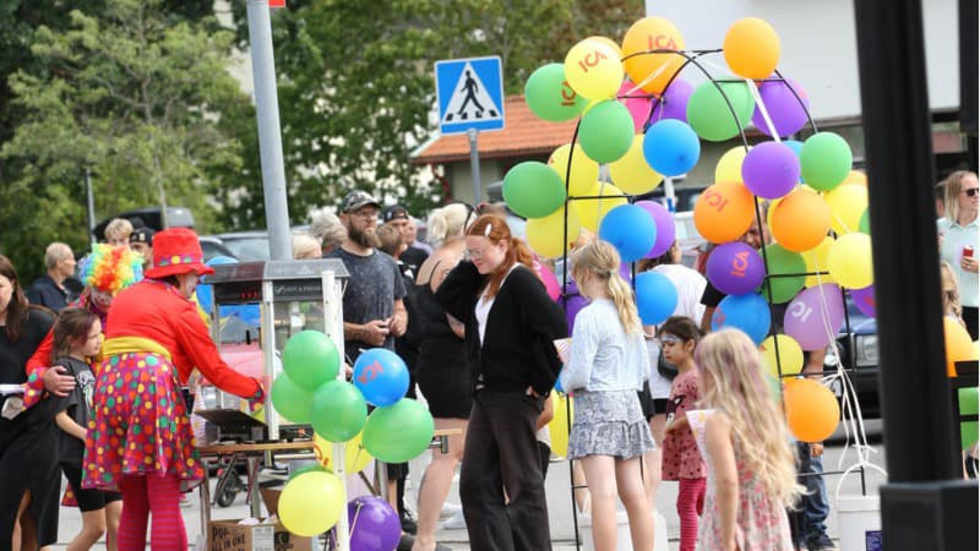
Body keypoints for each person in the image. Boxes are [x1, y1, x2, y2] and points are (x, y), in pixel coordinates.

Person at [82, 228, 264, 551]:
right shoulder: (180, 308)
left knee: (135, 504)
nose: (196, 283)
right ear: (180, 274)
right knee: (164, 498)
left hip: (109, 387)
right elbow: (214, 369)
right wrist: (257, 389)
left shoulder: (126, 296)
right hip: (149, 387)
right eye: (195, 274)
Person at [436, 214, 567, 551]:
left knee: (523, 483)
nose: (474, 259)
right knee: (476, 482)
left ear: (504, 245)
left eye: (480, 251)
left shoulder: (520, 280)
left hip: (514, 394)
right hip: (486, 392)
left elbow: (557, 329)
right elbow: (448, 296)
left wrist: (541, 382)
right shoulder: (485, 279)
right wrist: (475, 258)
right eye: (470, 252)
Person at [558, 241, 656, 551]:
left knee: (602, 495)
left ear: (585, 272)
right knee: (635, 494)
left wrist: (565, 375)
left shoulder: (590, 316)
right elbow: (643, 370)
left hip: (597, 405)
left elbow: (580, 373)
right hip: (629, 403)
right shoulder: (627, 311)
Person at [326, 190, 412, 530]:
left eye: (373, 213)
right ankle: (349, 523)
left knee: (391, 449)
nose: (370, 219)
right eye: (362, 213)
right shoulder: (331, 264)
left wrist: (399, 320)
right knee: (351, 451)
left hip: (388, 372)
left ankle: (389, 519)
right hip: (346, 372)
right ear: (345, 218)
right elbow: (322, 319)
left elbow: (399, 304)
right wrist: (363, 331)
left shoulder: (387, 262)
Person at [688, 329, 801, 551]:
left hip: (733, 517)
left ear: (712, 374)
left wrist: (728, 537)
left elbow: (728, 482)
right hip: (768, 517)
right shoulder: (764, 415)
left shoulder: (718, 422)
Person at [411, 203, 473, 551]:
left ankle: (426, 535)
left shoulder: (430, 261)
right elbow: (460, 325)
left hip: (436, 365)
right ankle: (426, 537)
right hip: (451, 366)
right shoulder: (450, 266)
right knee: (446, 455)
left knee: (444, 451)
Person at [636, 241, 707, 507]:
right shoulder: (691, 279)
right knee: (700, 454)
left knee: (653, 448)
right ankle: (706, 517)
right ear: (673, 247)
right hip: (689, 381)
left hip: (651, 380)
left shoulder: (636, 283)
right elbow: (704, 325)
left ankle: (646, 511)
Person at [49, 308, 122, 551]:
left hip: (99, 455)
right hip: (78, 457)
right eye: (93, 337)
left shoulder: (88, 367)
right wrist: (88, 436)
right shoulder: (64, 368)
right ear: (72, 340)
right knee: (95, 527)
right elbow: (60, 417)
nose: (99, 341)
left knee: (118, 518)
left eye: (100, 335)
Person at [0, 255, 59, 551]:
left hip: (33, 429)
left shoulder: (38, 320)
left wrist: (43, 379)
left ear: (12, 284)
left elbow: (63, 364)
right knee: (27, 521)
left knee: (11, 512)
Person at [658, 316, 705, 551]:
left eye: (671, 343)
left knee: (686, 503)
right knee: (703, 505)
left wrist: (680, 423)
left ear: (689, 345)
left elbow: (711, 410)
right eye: (663, 345)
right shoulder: (680, 378)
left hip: (696, 453)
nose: (666, 349)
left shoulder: (695, 378)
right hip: (687, 452)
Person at [937, 170, 979, 340]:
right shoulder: (940, 228)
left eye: (978, 190)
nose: (976, 195)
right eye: (970, 192)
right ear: (955, 195)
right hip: (949, 313)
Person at [26, 242, 76, 312]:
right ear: (59, 263)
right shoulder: (38, 290)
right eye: (71, 259)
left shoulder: (67, 290)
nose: (74, 263)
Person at [384, 205, 429, 273]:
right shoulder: (376, 254)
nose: (401, 230)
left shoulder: (421, 255)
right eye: (395, 225)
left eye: (404, 224)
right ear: (385, 227)